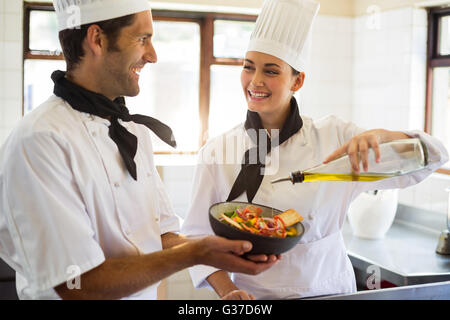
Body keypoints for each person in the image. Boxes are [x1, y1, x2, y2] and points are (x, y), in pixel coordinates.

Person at [0, 0, 279, 300]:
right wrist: (198, 252)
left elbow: (160, 236)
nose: (153, 55)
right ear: (97, 39)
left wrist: (226, 248)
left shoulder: (133, 132)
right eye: (142, 38)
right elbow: (77, 285)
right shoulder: (40, 141)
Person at [181, 0, 449, 300]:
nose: (255, 81)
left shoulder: (335, 137)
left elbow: (434, 156)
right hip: (256, 300)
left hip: (330, 292)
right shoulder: (217, 151)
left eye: (271, 71)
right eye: (248, 67)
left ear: (298, 80)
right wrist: (229, 291)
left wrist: (386, 136)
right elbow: (195, 236)